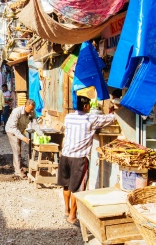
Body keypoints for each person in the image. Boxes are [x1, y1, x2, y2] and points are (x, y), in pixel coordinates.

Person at [58, 96, 116, 226]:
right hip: (79, 158)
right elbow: (111, 119)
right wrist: (115, 110)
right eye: (89, 106)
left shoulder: (68, 117)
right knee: (77, 189)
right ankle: (72, 217)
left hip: (65, 156)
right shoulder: (91, 118)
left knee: (66, 185)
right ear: (85, 106)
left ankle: (66, 210)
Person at [5, 99, 41, 177]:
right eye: (30, 109)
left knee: (19, 149)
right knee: (17, 149)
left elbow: (35, 125)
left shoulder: (32, 112)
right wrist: (23, 138)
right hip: (11, 130)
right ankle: (18, 171)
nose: (32, 111)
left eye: (33, 109)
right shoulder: (16, 111)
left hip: (20, 130)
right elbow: (13, 128)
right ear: (25, 105)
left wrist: (41, 135)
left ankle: (21, 166)